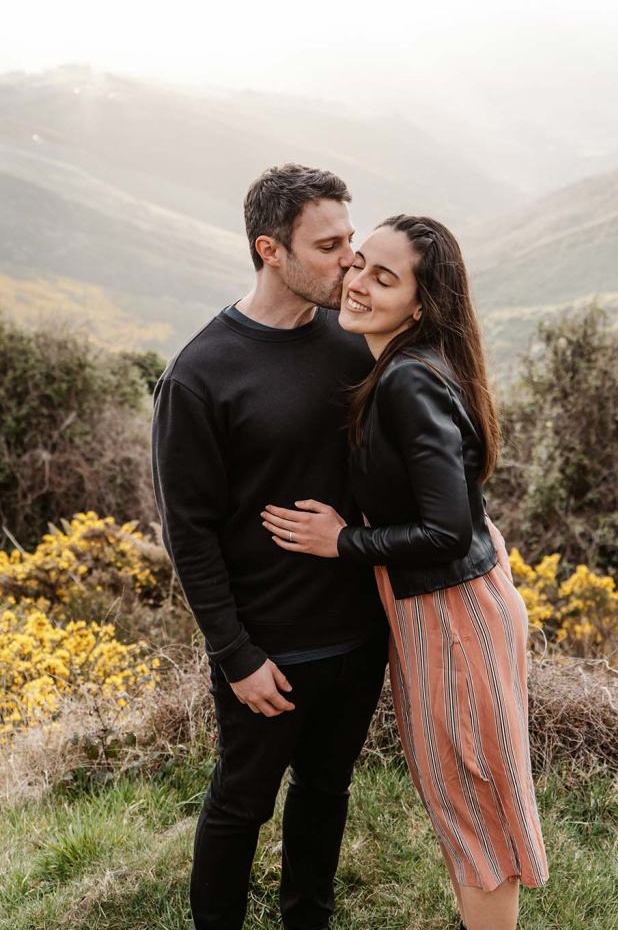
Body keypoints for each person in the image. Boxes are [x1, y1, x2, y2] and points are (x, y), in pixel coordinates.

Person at [263, 214, 549, 930]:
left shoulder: (406, 383)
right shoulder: (404, 365)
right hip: (446, 607)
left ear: (421, 305)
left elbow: (446, 529)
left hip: (450, 615)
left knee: (476, 809)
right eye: (357, 263)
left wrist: (343, 542)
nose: (355, 282)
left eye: (381, 277)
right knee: (461, 795)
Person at [151, 164, 388, 930]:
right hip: (267, 652)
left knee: (325, 793)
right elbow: (186, 530)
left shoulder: (353, 345)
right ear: (269, 249)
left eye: (350, 239)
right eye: (328, 245)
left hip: (357, 638)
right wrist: (235, 655)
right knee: (241, 804)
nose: (349, 260)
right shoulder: (200, 375)